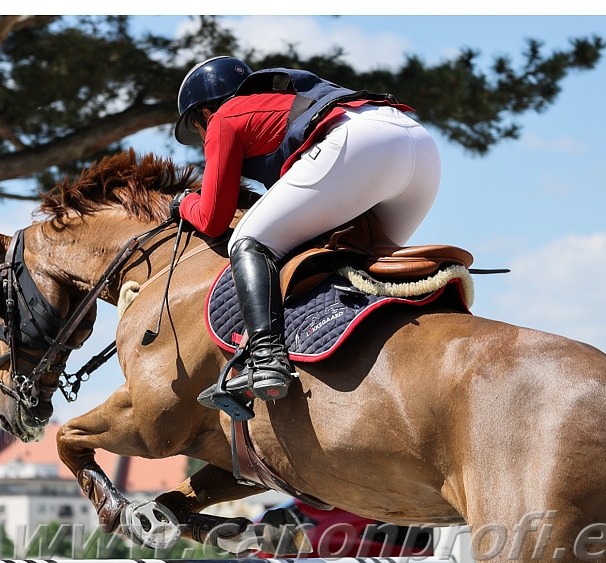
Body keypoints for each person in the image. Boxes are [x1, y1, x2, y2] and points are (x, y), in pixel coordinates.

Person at [172, 56, 441, 405]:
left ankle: (266, 358)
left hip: (360, 143)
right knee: (362, 259)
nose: (202, 136)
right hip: (420, 147)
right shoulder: (282, 104)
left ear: (204, 115)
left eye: (197, 130)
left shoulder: (224, 118)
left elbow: (212, 219)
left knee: (248, 240)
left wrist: (183, 203)